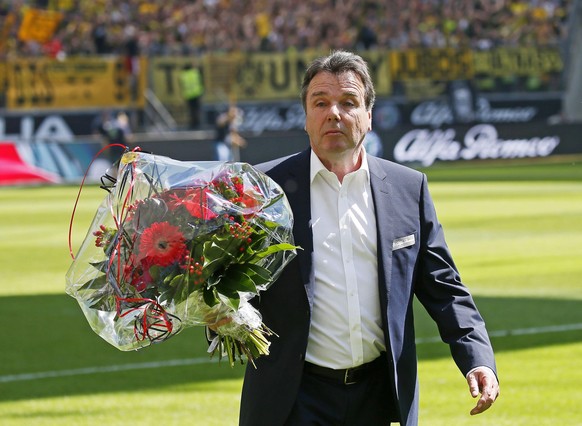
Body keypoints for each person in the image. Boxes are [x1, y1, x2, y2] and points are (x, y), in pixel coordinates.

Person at [234, 51, 499, 425]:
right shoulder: (262, 190)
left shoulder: (409, 189)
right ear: (306, 116)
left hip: (379, 397)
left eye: (349, 102)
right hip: (293, 399)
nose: (334, 113)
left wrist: (477, 358)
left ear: (369, 115)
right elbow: (227, 280)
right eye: (321, 102)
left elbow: (444, 287)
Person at [179, 63, 205, 129]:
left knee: (191, 111)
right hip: (197, 93)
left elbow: (182, 86)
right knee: (197, 110)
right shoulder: (195, 73)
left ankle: (192, 124)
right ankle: (198, 124)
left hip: (189, 95)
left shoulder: (183, 75)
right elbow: (201, 81)